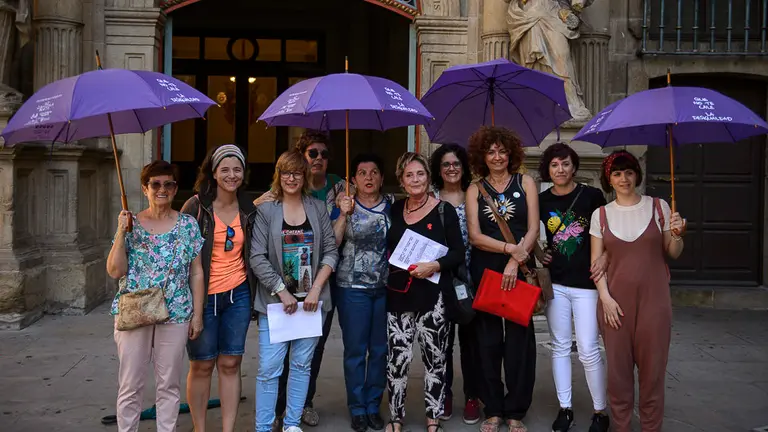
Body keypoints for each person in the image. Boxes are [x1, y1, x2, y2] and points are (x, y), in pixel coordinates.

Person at [589, 150, 685, 432]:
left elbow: (673, 253)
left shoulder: (659, 207)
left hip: (654, 304)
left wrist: (678, 234)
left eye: (629, 172)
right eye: (617, 173)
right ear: (609, 179)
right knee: (618, 376)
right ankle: (621, 428)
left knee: (653, 374)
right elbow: (597, 265)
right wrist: (605, 299)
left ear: (637, 175)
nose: (624, 178)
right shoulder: (601, 215)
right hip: (614, 305)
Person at [254, 130, 344, 428]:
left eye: (297, 173)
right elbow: (256, 257)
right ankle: (264, 425)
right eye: (286, 172)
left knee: (302, 365)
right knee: (270, 367)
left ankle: (292, 422)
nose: (292, 178)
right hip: (277, 302)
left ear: (305, 176)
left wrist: (317, 289)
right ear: (278, 175)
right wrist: (282, 291)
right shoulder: (266, 210)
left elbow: (331, 251)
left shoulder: (318, 209)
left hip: (310, 303)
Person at [106, 161, 204, 432]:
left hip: (176, 312)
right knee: (130, 384)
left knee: (169, 384)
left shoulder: (188, 225)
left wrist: (197, 314)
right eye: (156, 184)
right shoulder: (131, 224)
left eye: (169, 184)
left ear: (175, 188)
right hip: (134, 312)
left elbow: (196, 272)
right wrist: (119, 232)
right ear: (145, 188)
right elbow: (115, 270)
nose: (162, 189)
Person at [465, 126, 539, 432]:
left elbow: (533, 229)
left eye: (502, 151)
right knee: (488, 342)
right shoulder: (474, 189)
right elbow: (475, 236)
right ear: (483, 157)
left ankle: (516, 410)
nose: (497, 157)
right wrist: (509, 248)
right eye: (491, 151)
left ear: (511, 154)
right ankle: (493, 407)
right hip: (486, 268)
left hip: (519, 269)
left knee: (520, 342)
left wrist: (513, 259)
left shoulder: (526, 182)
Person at [385, 152, 465, 432]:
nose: (415, 179)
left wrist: (434, 265)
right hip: (398, 294)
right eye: (409, 175)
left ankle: (433, 417)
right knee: (397, 359)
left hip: (433, 297)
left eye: (420, 174)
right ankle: (396, 416)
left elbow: (458, 252)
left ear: (429, 178)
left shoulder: (444, 211)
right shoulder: (394, 210)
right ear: (402, 181)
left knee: (436, 358)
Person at [180, 144, 257, 432]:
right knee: (201, 365)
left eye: (237, 169)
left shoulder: (250, 209)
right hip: (202, 297)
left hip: (238, 295)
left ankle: (227, 429)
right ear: (213, 172)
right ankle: (199, 428)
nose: (232, 175)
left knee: (230, 363)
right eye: (225, 169)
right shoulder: (196, 207)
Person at [536, 143, 610, 432]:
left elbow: (607, 233)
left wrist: (605, 256)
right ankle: (564, 409)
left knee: (589, 348)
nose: (560, 169)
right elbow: (536, 237)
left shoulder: (592, 196)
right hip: (556, 283)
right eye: (554, 165)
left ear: (574, 166)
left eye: (565, 163)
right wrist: (540, 254)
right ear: (548, 169)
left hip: (587, 284)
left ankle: (600, 411)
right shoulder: (542, 201)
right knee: (560, 347)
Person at [334, 153, 394, 432]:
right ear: (353, 179)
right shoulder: (344, 205)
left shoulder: (392, 205)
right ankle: (357, 407)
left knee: (380, 350)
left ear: (382, 177)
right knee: (356, 351)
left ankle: (373, 405)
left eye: (373, 172)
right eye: (362, 173)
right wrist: (344, 214)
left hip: (384, 287)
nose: (368, 178)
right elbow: (333, 243)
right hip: (351, 288)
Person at [428, 143, 482, 425]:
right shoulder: (431, 199)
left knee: (472, 343)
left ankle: (473, 396)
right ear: (439, 169)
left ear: (464, 167)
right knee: (443, 342)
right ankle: (444, 393)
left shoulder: (475, 195)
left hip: (473, 277)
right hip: (442, 278)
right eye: (446, 164)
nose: (451, 168)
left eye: (456, 164)